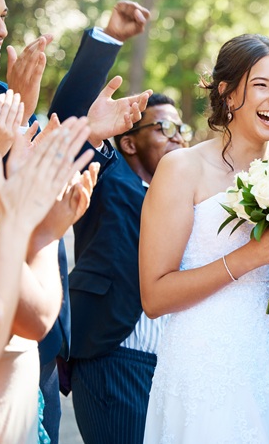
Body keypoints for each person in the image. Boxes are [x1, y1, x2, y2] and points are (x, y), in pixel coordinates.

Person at [0, 0, 151, 440]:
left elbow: (46, 152)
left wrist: (90, 134)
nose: (1, 28)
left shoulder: (4, 92)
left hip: (34, 358)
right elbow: (2, 199)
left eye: (2, 14)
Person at [139, 34, 269, 443]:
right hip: (206, 370)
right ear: (226, 92)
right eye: (261, 85)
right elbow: (154, 297)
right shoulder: (181, 169)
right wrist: (253, 255)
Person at [68, 93, 189, 444]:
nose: (178, 136)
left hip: (169, 367)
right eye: (164, 127)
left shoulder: (184, 200)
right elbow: (76, 138)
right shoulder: (109, 178)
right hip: (114, 354)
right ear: (129, 144)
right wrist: (107, 41)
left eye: (181, 128)